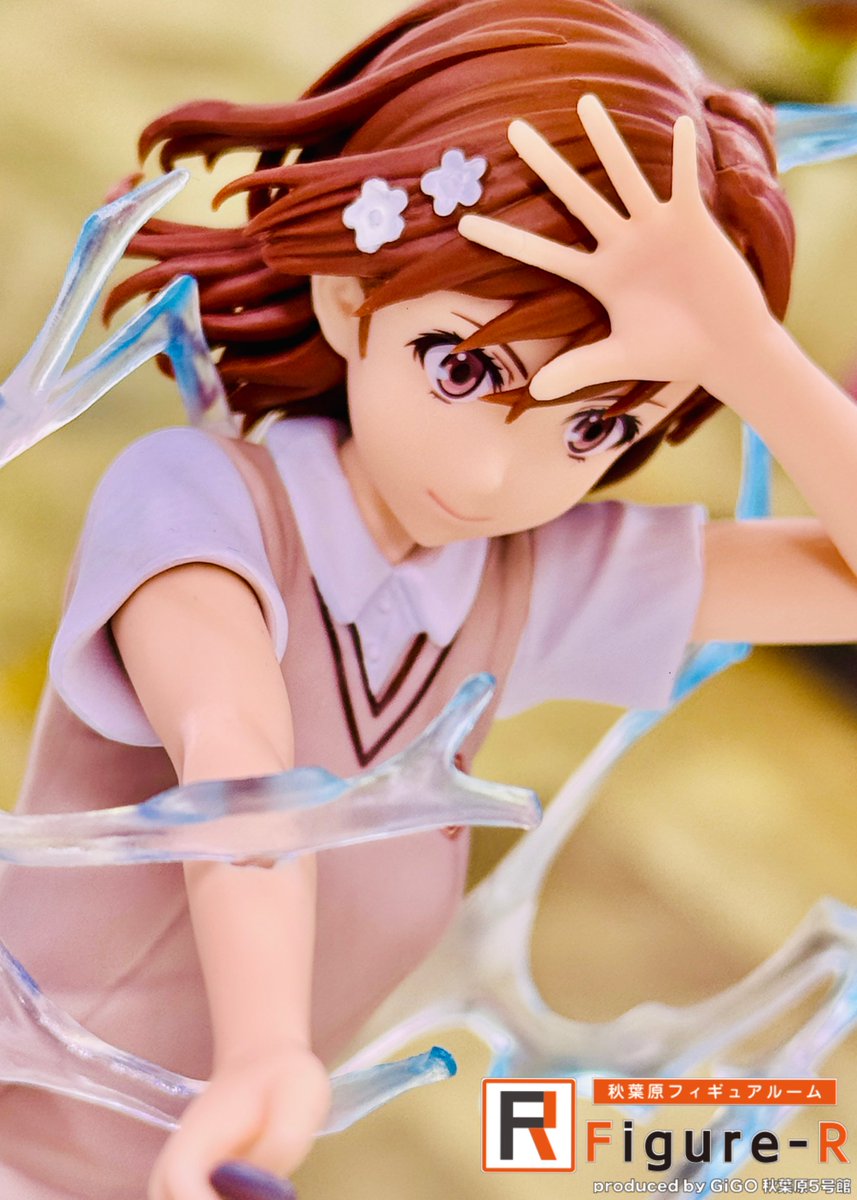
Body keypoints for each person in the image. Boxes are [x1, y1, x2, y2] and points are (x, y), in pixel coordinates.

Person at [1, 0, 856, 1197]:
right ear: (353, 295)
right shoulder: (195, 502)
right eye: (462, 367)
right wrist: (264, 1049)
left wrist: (739, 343)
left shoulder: (527, 579)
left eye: (596, 426)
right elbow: (236, 760)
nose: (496, 473)